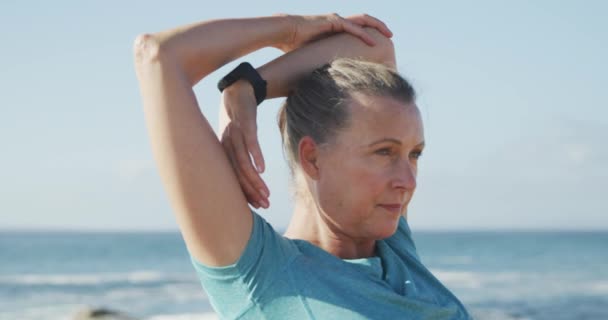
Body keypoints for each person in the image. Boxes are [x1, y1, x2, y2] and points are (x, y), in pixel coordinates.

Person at [134, 13, 472, 319]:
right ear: (312, 157)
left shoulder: (396, 250)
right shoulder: (265, 276)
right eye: (384, 152)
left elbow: (378, 47)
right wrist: (288, 28)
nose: (407, 181)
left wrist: (251, 86)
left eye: (415, 155)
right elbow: (158, 56)